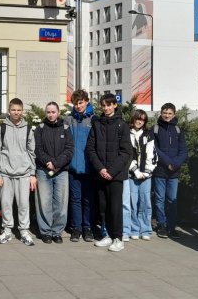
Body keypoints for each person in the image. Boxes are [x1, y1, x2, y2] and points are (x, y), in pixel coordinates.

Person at [85, 93, 132, 252]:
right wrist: (101, 169)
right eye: (103, 105)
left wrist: (111, 171)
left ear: (115, 105)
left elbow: (126, 152)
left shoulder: (122, 125)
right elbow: (90, 149)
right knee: (103, 207)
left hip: (115, 175)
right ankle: (108, 235)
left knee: (115, 207)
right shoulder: (97, 124)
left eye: (109, 105)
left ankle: (118, 238)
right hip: (101, 173)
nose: (106, 108)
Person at [0, 98, 37, 246]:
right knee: (6, 204)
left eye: (19, 110)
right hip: (5, 173)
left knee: (24, 204)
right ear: (9, 111)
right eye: (13, 110)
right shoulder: (2, 128)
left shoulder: (28, 129)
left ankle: (24, 231)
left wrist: (32, 174)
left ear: (22, 111)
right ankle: (7, 231)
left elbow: (32, 153)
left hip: (23, 173)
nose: (16, 112)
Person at [34, 102, 74, 244]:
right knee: (44, 202)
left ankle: (57, 232)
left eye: (53, 112)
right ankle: (45, 232)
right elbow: (37, 149)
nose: (51, 115)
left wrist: (57, 164)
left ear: (58, 113)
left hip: (61, 171)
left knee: (61, 203)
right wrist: (48, 163)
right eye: (48, 112)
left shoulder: (65, 128)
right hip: (44, 170)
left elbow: (69, 150)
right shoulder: (40, 129)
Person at [63, 89, 97, 242]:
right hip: (73, 168)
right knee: (75, 199)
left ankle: (87, 228)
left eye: (81, 103)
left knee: (88, 199)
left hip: (89, 168)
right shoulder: (68, 120)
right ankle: (76, 228)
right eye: (76, 103)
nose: (78, 106)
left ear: (86, 102)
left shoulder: (93, 120)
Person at [152, 102, 187, 239]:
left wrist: (176, 163)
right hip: (160, 170)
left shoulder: (178, 130)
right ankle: (161, 225)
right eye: (164, 113)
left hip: (174, 171)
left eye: (169, 113)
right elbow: (154, 149)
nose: (167, 115)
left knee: (172, 199)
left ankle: (171, 227)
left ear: (174, 114)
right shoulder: (154, 129)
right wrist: (168, 163)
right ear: (161, 113)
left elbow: (183, 150)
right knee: (160, 199)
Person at [126, 109, 156, 241]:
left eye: (142, 119)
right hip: (132, 175)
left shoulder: (148, 135)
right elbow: (127, 155)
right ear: (133, 119)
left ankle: (145, 229)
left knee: (145, 203)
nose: (139, 121)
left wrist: (147, 171)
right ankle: (134, 229)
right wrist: (135, 171)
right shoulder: (127, 134)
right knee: (133, 203)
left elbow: (152, 154)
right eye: (137, 118)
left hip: (146, 176)